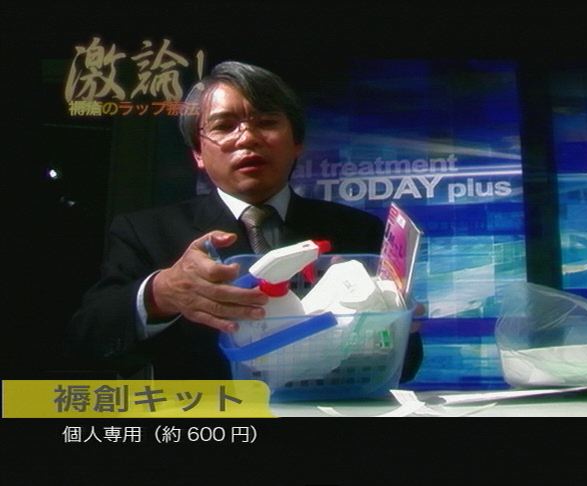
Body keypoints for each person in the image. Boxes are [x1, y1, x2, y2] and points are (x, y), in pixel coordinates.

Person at [65, 60, 422, 381]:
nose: (248, 137)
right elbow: (88, 339)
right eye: (224, 125)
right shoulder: (146, 232)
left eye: (266, 122)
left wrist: (396, 323)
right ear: (198, 153)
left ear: (297, 142)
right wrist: (161, 293)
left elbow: (405, 366)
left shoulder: (359, 231)